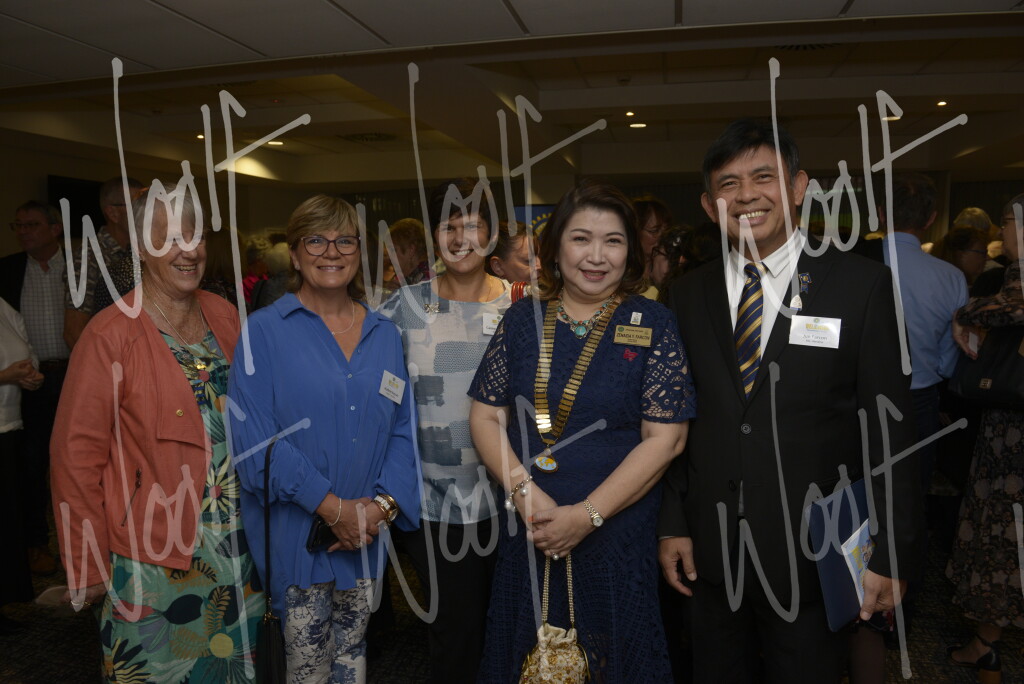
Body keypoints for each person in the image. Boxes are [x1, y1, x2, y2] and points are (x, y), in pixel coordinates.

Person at [657, 119, 924, 683]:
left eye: (764, 178)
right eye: (728, 184)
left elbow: (891, 432)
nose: (746, 196)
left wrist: (891, 554)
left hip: (814, 556)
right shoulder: (686, 294)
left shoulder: (862, 286)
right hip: (712, 553)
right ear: (708, 205)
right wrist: (673, 523)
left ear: (799, 187)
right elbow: (678, 420)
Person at [469, 178, 694, 682]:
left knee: (615, 656)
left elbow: (666, 439)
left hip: (617, 529)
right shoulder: (522, 321)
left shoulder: (653, 322)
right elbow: (485, 416)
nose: (596, 256)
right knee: (527, 658)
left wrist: (586, 516)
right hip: (531, 523)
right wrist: (528, 497)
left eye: (612, 240)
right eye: (581, 239)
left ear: (630, 251)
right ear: (555, 248)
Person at [50, 189, 264, 681]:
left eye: (194, 236)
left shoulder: (225, 315)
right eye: (168, 239)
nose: (188, 251)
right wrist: (86, 563)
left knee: (235, 669)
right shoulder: (108, 334)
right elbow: (74, 458)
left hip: (237, 544)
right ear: (141, 249)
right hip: (152, 553)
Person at [228, 194, 420, 684]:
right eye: (315, 240)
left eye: (344, 241)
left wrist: (380, 508)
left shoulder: (384, 334)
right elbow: (255, 447)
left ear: (358, 253)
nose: (331, 251)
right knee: (307, 673)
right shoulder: (263, 333)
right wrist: (334, 508)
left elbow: (402, 430)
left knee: (352, 663)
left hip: (365, 538)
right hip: (299, 542)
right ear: (295, 254)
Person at [379, 177, 511, 684]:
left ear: (492, 233)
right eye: (448, 227)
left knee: (511, 627)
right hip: (433, 505)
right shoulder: (400, 309)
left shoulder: (522, 309)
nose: (460, 239)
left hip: (512, 501)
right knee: (455, 635)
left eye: (472, 225)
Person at [945, 193, 1024, 684]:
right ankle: (986, 643)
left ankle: (987, 646)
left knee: (999, 530)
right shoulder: (1006, 276)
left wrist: (967, 312)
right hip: (1009, 426)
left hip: (1013, 432)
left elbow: (1012, 309)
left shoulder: (1012, 282)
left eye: (1008, 221)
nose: (1001, 231)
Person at [1, 200, 70, 575]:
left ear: (55, 229)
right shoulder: (8, 270)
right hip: (29, 382)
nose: (23, 232)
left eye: (31, 224)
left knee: (77, 461)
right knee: (30, 464)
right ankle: (36, 544)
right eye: (18, 225)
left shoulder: (78, 266)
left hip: (74, 375)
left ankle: (86, 543)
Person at [0, 296, 42, 634]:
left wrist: (30, 374)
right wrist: (5, 376)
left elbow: (26, 349)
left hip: (8, 426)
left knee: (6, 521)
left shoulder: (3, 307)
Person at [63, 176, 143, 349]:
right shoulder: (89, 257)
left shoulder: (141, 252)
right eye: (136, 206)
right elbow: (74, 332)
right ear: (113, 213)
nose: (145, 213)